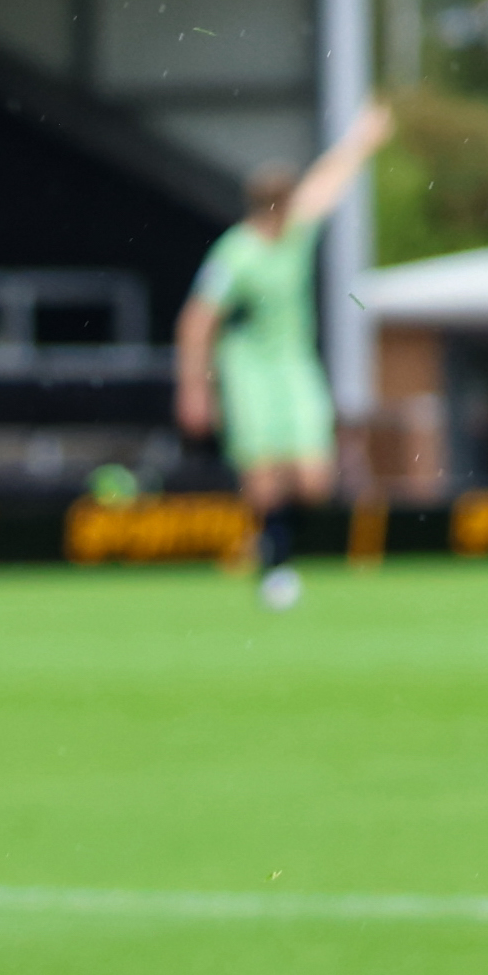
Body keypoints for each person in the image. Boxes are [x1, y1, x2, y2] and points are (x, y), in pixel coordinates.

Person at [176, 100, 397, 611]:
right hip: (249, 366)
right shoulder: (236, 253)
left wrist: (362, 138)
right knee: (263, 475)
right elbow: (197, 320)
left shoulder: (295, 233)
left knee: (314, 479)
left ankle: (272, 546)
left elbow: (328, 181)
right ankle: (275, 567)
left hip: (294, 362)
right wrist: (195, 388)